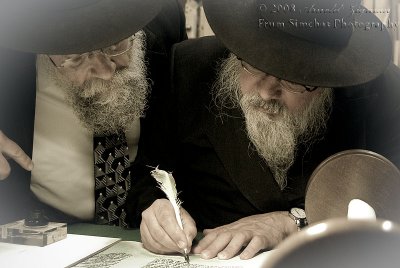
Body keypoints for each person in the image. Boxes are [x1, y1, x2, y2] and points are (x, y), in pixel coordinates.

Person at [127, 0, 400, 261]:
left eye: (293, 79)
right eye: (255, 65)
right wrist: (155, 211)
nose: (267, 91)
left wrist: (294, 222)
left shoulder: (379, 91)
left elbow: (391, 201)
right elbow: (147, 179)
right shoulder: (186, 68)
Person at [0, 0, 186, 225]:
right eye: (77, 58)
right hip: (35, 229)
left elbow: (179, 126)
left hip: (143, 232)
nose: (106, 72)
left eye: (115, 46)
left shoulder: (162, 17)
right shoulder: (9, 43)